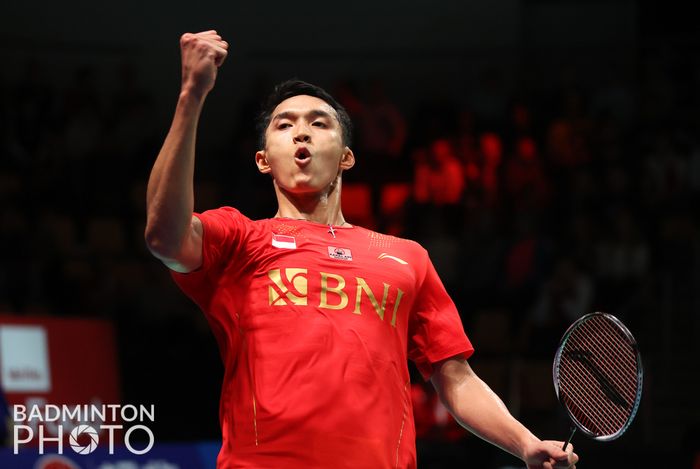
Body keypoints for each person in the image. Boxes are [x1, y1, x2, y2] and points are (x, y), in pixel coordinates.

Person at [144, 30, 579, 469]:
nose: (302, 133)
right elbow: (164, 236)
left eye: (319, 123)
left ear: (347, 157)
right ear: (263, 160)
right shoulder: (241, 239)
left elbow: (455, 379)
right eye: (284, 124)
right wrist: (192, 95)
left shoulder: (407, 257)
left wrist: (524, 442)